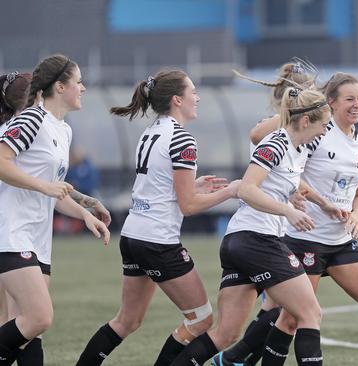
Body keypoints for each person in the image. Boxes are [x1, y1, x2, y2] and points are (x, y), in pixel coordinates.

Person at [216, 73, 358, 366]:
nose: (357, 105)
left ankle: (235, 358)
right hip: (304, 239)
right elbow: (262, 139)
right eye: (349, 99)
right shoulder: (317, 132)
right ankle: (237, 357)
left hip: (340, 241)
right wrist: (301, 107)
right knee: (290, 320)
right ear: (331, 103)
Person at [75, 69, 240, 366]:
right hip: (158, 240)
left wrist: (195, 184)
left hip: (133, 235)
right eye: (193, 91)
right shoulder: (183, 140)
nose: (198, 97)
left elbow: (163, 186)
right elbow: (188, 206)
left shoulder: (150, 132)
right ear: (178, 99)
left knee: (127, 320)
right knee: (201, 320)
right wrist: (232, 192)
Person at [170, 87, 339, 366]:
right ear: (306, 121)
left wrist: (313, 201)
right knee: (309, 313)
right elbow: (247, 189)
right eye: (324, 125)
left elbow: (287, 182)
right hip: (256, 240)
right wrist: (287, 210)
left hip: (242, 243)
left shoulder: (298, 150)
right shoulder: (276, 143)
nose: (325, 132)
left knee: (226, 334)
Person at [0, 54, 110, 364]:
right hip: (12, 232)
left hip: (38, 239)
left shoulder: (64, 130)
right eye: (78, 82)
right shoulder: (31, 118)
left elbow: (56, 192)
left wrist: (85, 211)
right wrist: (45, 187)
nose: (83, 88)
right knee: (40, 317)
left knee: (28, 331)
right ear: (59, 87)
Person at [222, 60, 318, 366]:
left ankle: (237, 358)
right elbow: (255, 141)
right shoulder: (277, 130)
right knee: (296, 311)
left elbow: (285, 176)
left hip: (266, 231)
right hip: (257, 231)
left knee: (277, 310)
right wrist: (289, 209)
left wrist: (300, 197)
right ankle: (236, 358)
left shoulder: (293, 141)